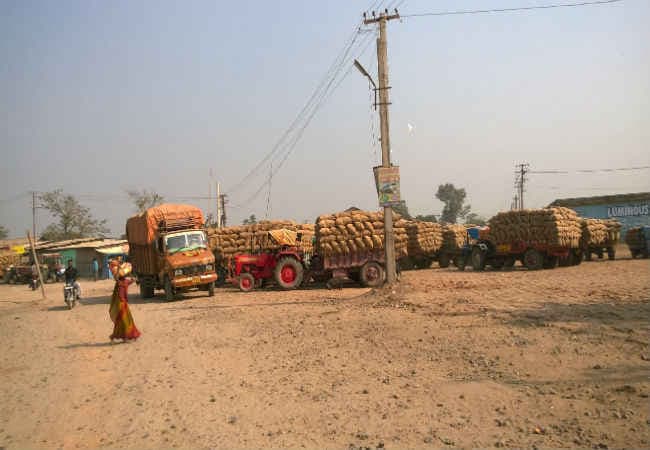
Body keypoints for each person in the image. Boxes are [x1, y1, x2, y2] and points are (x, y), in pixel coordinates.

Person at [108, 260, 140, 342]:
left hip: (124, 302)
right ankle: (125, 337)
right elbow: (116, 277)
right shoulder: (119, 282)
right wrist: (119, 268)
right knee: (124, 320)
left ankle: (129, 335)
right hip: (119, 302)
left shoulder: (126, 281)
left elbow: (133, 280)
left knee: (127, 319)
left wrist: (133, 277)